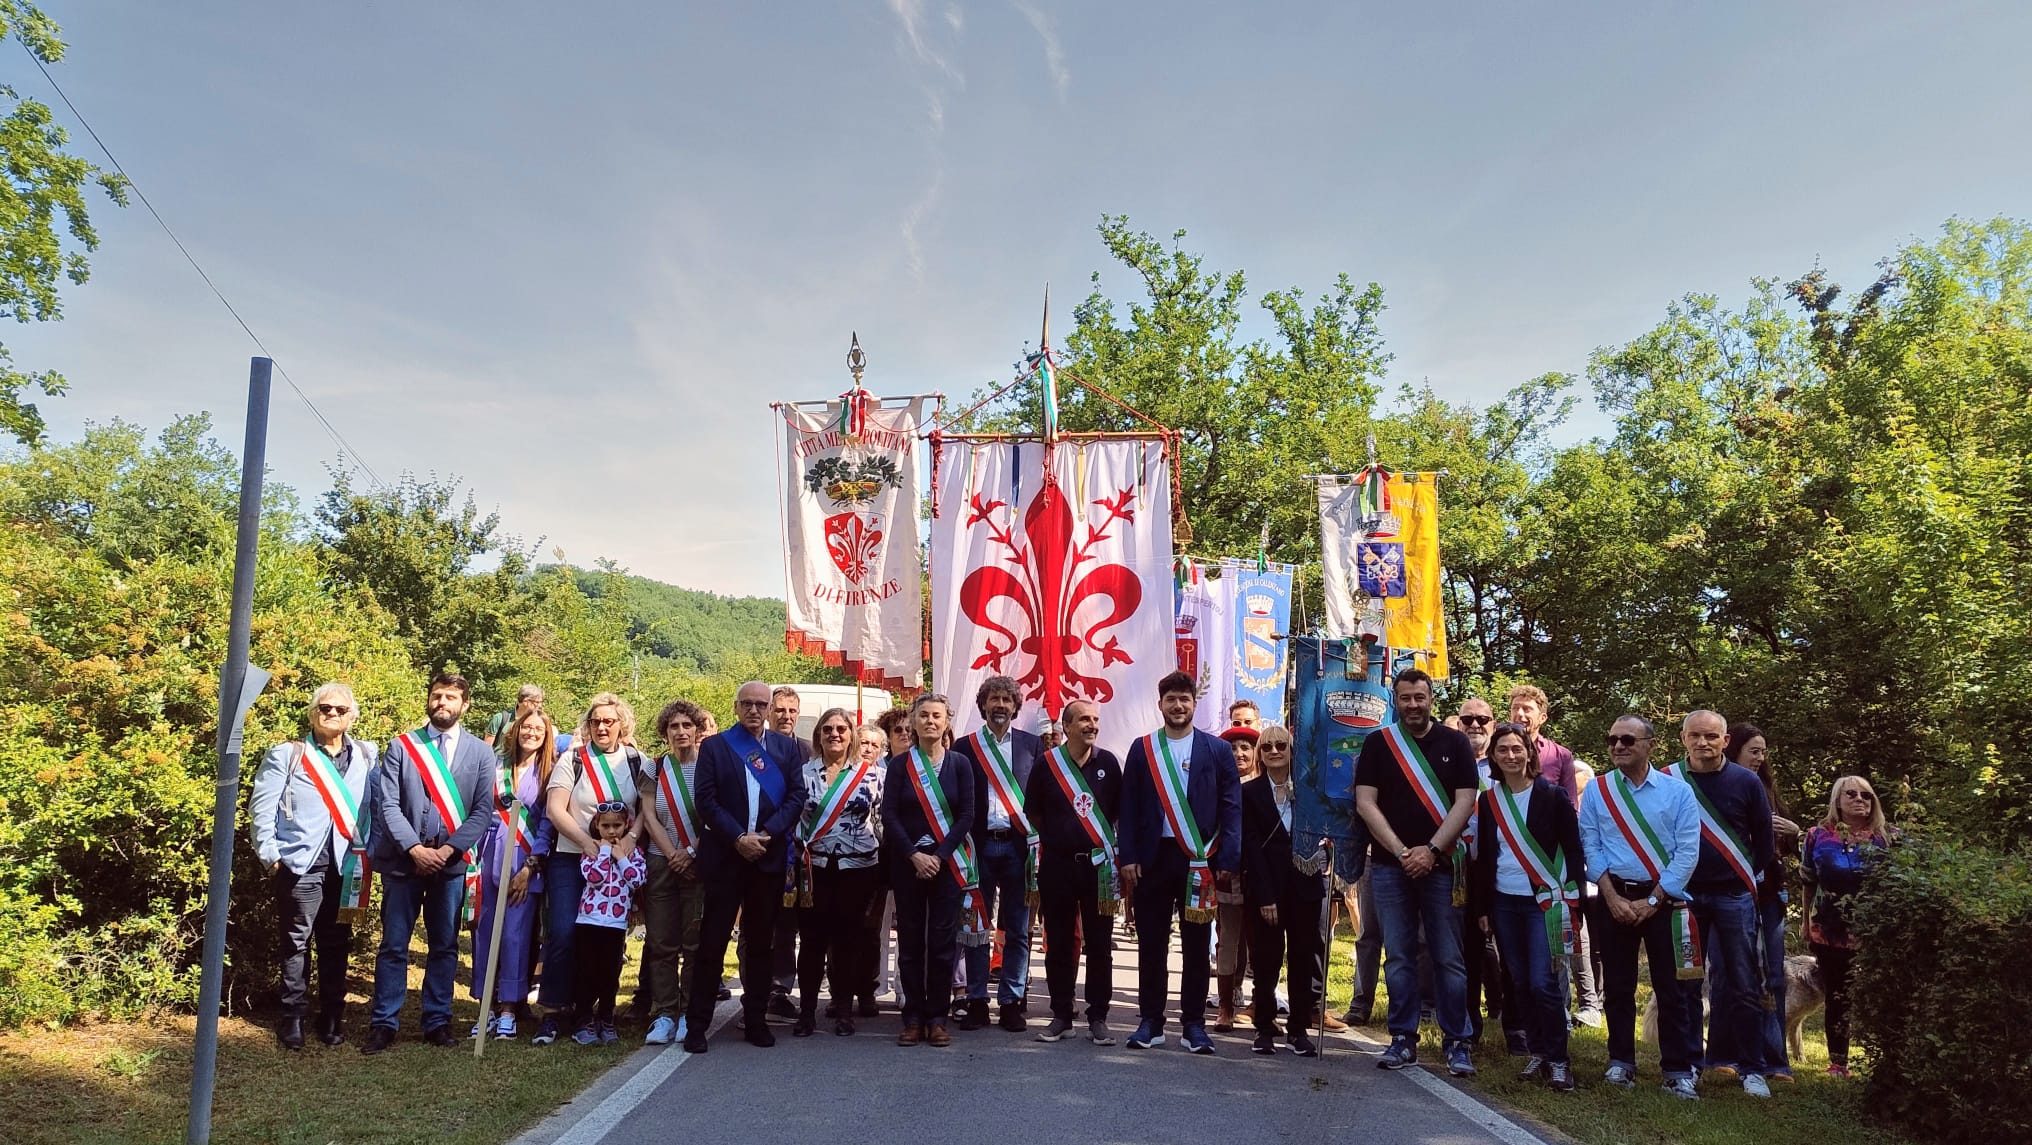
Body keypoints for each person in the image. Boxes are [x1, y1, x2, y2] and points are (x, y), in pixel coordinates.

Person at [1354, 668, 1481, 1076]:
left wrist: (1431, 850)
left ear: (1431, 699)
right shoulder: (1378, 743)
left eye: (1419, 697)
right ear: (1396, 700)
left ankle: (1457, 1041)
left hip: (1441, 866)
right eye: (1405, 698)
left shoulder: (1455, 742)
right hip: (1390, 866)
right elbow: (1365, 802)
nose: (1413, 704)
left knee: (1449, 957)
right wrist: (1402, 851)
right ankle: (1402, 1039)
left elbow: (1466, 801)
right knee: (1398, 957)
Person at [363, 673, 495, 1054]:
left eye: (451, 697)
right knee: (393, 945)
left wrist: (448, 851)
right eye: (437, 695)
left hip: (449, 866)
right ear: (429, 700)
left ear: (464, 704)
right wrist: (414, 849)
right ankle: (384, 1022)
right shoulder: (402, 747)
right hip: (403, 864)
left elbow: (482, 811)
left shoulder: (480, 753)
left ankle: (437, 1020)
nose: (442, 703)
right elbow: (388, 805)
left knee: (444, 945)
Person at [1577, 715, 1704, 1098]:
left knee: (1672, 989)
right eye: (1612, 739)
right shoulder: (1598, 790)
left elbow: (1687, 852)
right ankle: (1620, 1062)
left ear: (1651, 744)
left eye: (1628, 740)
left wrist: (1653, 900)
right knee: (1618, 986)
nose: (1618, 746)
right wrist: (1611, 897)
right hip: (1613, 897)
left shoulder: (1678, 793)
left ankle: (1677, 1070)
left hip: (1664, 900)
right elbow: (1590, 845)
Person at [1119, 670, 1243, 1055]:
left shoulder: (1217, 750)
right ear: (1160, 704)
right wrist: (1128, 856)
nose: (1178, 706)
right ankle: (1150, 1021)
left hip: (1200, 862)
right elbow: (1128, 805)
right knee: (1152, 943)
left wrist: (1228, 857)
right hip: (1153, 860)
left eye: (1184, 699)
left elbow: (1231, 807)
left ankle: (1193, 1024)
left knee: (1196, 946)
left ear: (1194, 704)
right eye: (1171, 699)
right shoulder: (1142, 749)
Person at [250, 682, 378, 1049]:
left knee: (337, 941)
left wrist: (373, 852)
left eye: (340, 709)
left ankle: (332, 1015)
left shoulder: (367, 755)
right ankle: (292, 1015)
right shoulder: (288, 754)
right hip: (300, 865)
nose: (332, 714)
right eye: (325, 708)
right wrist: (272, 858)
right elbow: (262, 809)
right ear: (312, 713)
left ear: (352, 717)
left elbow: (376, 807)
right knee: (296, 941)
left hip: (348, 866)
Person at [682, 681, 808, 1052]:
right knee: (712, 942)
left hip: (766, 858)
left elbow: (796, 797)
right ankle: (697, 1025)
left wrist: (766, 834)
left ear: (769, 709)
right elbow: (706, 800)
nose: (754, 710)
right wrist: (738, 837)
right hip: (725, 856)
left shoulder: (785, 748)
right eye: (747, 704)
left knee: (761, 944)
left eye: (761, 704)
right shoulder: (716, 746)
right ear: (736, 707)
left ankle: (755, 1020)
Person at [1660, 711, 1776, 1098]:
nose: (1703, 743)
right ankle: (1690, 1064)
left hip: (1734, 895)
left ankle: (1752, 1068)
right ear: (1683, 738)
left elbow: (1764, 843)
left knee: (1744, 983)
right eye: (1695, 735)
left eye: (1711, 736)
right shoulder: (1668, 779)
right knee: (1687, 982)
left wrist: (1740, 877)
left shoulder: (1746, 781)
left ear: (1726, 741)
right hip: (1685, 897)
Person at [1471, 723, 1586, 1092]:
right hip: (1505, 901)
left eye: (1517, 749)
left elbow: (1573, 850)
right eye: (1503, 749)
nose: (1510, 755)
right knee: (1519, 982)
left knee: (1542, 981)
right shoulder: (1489, 801)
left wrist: (1576, 901)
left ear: (1529, 753)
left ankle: (1559, 1059)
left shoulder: (1552, 796)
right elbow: (1486, 857)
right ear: (1493, 756)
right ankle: (1537, 1051)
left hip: (1545, 901)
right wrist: (1483, 907)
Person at [533, 693, 647, 1045]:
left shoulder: (636, 761)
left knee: (607, 940)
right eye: (595, 721)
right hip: (572, 856)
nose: (601, 727)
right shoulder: (573, 759)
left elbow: (649, 805)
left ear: (621, 724)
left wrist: (631, 838)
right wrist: (586, 842)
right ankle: (554, 1011)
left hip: (616, 862)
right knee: (564, 932)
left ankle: (598, 1010)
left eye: (608, 721)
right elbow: (555, 808)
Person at [1026, 698, 1123, 1044]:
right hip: (1058, 866)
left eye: (1095, 719)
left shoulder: (1108, 763)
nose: (1092, 725)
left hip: (1098, 868)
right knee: (1059, 943)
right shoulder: (1047, 764)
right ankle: (1061, 1015)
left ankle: (1098, 1017)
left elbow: (1117, 812)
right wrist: (1062, 837)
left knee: (1100, 945)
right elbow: (1033, 811)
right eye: (1084, 719)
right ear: (1066, 726)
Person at [882, 693, 977, 1047]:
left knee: (942, 942)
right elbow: (889, 814)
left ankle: (937, 1017)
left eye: (937, 716)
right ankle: (912, 1018)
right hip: (908, 865)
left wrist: (939, 855)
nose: (930, 722)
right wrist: (914, 855)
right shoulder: (899, 765)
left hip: (946, 865)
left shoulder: (960, 764)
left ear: (947, 721)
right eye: (923, 715)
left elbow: (967, 814)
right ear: (914, 721)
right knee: (909, 942)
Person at [951, 675, 1041, 1032]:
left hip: (1019, 847)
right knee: (975, 929)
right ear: (983, 705)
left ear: (1016, 707)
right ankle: (976, 1000)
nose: (1000, 705)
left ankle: (1011, 1001)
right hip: (979, 846)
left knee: (1017, 929)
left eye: (1007, 699)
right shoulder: (965, 747)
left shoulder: (1032, 745)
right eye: (994, 699)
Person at [791, 708, 885, 1037]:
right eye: (828, 729)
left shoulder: (872, 775)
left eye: (842, 729)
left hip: (858, 869)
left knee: (848, 942)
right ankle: (807, 1013)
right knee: (812, 942)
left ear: (852, 735)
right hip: (813, 869)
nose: (835, 734)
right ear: (818, 734)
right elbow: (792, 817)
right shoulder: (802, 774)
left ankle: (844, 1011)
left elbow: (881, 821)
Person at [1242, 723, 1327, 1057]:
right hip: (1266, 889)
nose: (1274, 751)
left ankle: (1299, 1029)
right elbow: (1250, 847)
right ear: (1260, 755)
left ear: (1292, 751)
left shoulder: (1310, 791)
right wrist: (1265, 896)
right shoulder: (1249, 793)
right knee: (1266, 961)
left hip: (1306, 886)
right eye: (1267, 747)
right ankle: (1264, 1027)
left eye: (1281, 745)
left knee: (1303, 958)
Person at [471, 708, 556, 1040]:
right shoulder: (496, 765)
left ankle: (509, 1007)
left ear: (546, 736)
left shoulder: (549, 772)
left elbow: (548, 823)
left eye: (538, 729)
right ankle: (486, 1007)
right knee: (484, 931)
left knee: (515, 935)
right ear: (516, 729)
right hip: (488, 853)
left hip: (525, 860)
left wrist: (531, 866)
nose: (531, 733)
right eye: (526, 727)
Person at [1801, 775, 1891, 1079]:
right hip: (1829, 930)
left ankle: (1887, 1061)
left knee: (1878, 996)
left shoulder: (1887, 837)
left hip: (1875, 930)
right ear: (1837, 801)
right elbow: (1808, 881)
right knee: (1838, 996)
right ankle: (1838, 1063)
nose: (1859, 800)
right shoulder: (1817, 836)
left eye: (1866, 796)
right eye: (1851, 794)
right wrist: (1805, 920)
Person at [1725, 722, 1801, 1081]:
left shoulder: (1769, 791)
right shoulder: (1717, 788)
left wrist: (1794, 833)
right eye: (1753, 751)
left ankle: (1774, 1059)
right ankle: (1725, 1055)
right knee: (1728, 972)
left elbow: (1785, 847)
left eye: (1763, 752)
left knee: (1772, 975)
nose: (1760, 757)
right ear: (1734, 749)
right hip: (1729, 890)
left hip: (1769, 893)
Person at [1457, 696, 1525, 1055]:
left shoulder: (1504, 765)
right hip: (1460, 870)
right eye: (1467, 719)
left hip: (1504, 870)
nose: (1474, 725)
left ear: (1493, 723)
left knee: (1511, 953)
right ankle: (1469, 1027)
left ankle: (1516, 1027)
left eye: (1482, 719)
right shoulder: (1447, 761)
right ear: (1458, 723)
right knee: (1467, 953)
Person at [640, 699, 709, 1046]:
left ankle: (688, 1013)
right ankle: (665, 1012)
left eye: (687, 725)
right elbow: (648, 815)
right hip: (661, 861)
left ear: (697, 730)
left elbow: (713, 814)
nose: (680, 732)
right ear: (664, 732)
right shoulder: (653, 767)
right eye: (673, 726)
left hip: (698, 862)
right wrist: (671, 854)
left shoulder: (709, 766)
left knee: (694, 942)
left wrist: (691, 852)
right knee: (661, 942)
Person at [571, 802, 648, 1044]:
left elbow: (637, 880)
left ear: (626, 825)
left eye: (617, 825)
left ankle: (606, 1018)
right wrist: (605, 852)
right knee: (586, 972)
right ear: (597, 825)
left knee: (610, 974)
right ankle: (583, 1020)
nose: (612, 831)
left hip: (615, 925)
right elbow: (595, 878)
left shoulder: (633, 853)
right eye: (606, 826)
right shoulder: (591, 850)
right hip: (589, 922)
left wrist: (621, 857)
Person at [766, 687, 813, 1018]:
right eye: (780, 710)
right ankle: (759, 990)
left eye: (791, 711)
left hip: (801, 851)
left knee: (791, 925)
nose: (786, 716)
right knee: (762, 925)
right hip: (764, 845)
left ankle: (782, 989)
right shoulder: (756, 749)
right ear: (769, 712)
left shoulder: (809, 750)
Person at [1213, 724, 1259, 1030]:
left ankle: (1261, 1004)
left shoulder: (1268, 786)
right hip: (1228, 872)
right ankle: (1226, 1005)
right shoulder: (1216, 788)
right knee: (1228, 937)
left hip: (1262, 875)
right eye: (1232, 748)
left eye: (1245, 748)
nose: (1239, 754)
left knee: (1262, 940)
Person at [855, 723, 894, 1016]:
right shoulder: (840, 775)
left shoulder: (887, 778)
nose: (868, 749)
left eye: (874, 745)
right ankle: (840, 991)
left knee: (870, 930)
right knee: (840, 931)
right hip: (841, 861)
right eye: (863, 743)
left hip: (876, 862)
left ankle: (867, 990)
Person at [1508, 685, 1579, 801]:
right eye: (1515, 708)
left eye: (1526, 709)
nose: (1519, 713)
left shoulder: (1561, 756)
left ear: (1542, 718)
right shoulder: (1496, 752)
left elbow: (1570, 803)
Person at [484, 684, 545, 750]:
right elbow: (486, 748)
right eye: (537, 702)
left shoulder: (538, 722)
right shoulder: (500, 718)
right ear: (525, 701)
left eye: (541, 702)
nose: (540, 705)